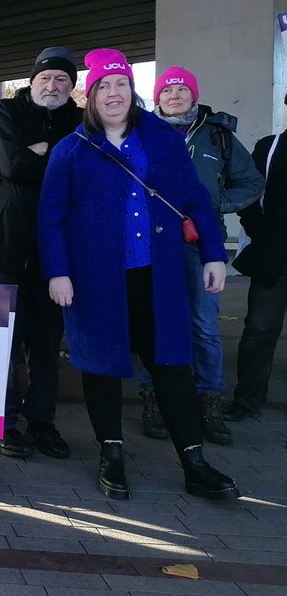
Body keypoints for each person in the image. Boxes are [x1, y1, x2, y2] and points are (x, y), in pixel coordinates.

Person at [38, 48, 238, 501]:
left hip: (157, 275)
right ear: (90, 97)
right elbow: (51, 217)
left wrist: (213, 254)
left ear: (133, 91)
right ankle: (111, 455)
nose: (113, 93)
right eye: (103, 86)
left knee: (171, 365)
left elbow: (196, 199)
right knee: (102, 368)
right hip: (95, 280)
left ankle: (194, 460)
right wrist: (58, 272)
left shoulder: (162, 140)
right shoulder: (72, 149)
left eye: (121, 84)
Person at [138, 67, 262, 444]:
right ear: (157, 97)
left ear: (194, 95)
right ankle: (154, 399)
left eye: (182, 89)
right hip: (153, 243)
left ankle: (209, 403)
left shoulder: (218, 136)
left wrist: (214, 204)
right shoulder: (139, 133)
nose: (174, 94)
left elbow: (252, 182)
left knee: (204, 326)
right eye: (167, 89)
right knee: (156, 321)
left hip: (199, 244)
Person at [0, 47, 82, 460]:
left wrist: (43, 153)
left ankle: (42, 420)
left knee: (46, 341)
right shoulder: (5, 112)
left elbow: (81, 172)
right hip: (7, 245)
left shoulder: (79, 121)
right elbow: (11, 163)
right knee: (4, 339)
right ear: (32, 80)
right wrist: (48, 158)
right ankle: (3, 421)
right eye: (46, 78)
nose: (53, 85)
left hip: (57, 253)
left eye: (62, 80)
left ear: (71, 88)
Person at [227, 91, 287, 422]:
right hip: (274, 258)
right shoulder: (269, 147)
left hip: (272, 254)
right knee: (259, 331)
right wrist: (262, 236)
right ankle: (247, 400)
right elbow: (247, 192)